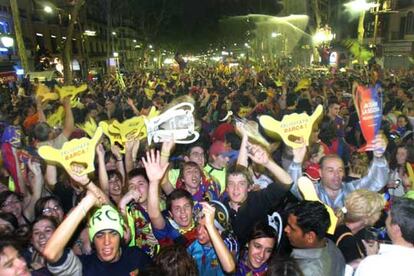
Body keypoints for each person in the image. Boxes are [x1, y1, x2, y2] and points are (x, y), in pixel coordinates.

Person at [43, 174, 152, 276]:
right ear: (92, 239)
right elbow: (51, 253)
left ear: (122, 235)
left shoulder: (136, 257)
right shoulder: (84, 267)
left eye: (113, 233)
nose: (107, 241)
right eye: (99, 235)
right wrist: (86, 203)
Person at [288, 134, 389, 210]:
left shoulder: (351, 190)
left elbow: (377, 181)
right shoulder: (313, 191)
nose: (336, 174)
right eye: (330, 170)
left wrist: (378, 157)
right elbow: (295, 188)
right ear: (320, 172)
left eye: (340, 170)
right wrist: (297, 161)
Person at [223, 138, 293, 246]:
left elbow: (287, 183)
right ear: (226, 188)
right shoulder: (222, 208)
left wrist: (267, 162)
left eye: (241, 184)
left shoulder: (258, 200)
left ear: (249, 187)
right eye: (231, 183)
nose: (236, 189)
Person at [146, 150, 198, 247]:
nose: (182, 212)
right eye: (177, 208)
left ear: (192, 208)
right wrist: (153, 181)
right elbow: (154, 215)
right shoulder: (168, 230)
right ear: (170, 214)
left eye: (186, 206)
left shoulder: (203, 225)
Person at [355, 198, 414, 276]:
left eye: (388, 217)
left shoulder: (371, 265)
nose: (386, 221)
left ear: (396, 229)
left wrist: (371, 260)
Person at [285, 200, 345, 276]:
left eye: (292, 228)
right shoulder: (331, 247)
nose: (286, 229)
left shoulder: (306, 272)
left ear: (310, 237)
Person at [333, 190, 384, 266]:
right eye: (378, 211)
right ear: (367, 216)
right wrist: (371, 258)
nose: (380, 214)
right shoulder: (347, 242)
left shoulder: (338, 224)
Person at [187, 201, 236, 275]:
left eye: (206, 228)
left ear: (219, 232)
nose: (199, 231)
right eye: (198, 225)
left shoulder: (229, 243)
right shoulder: (192, 243)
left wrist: (210, 225)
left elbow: (230, 268)